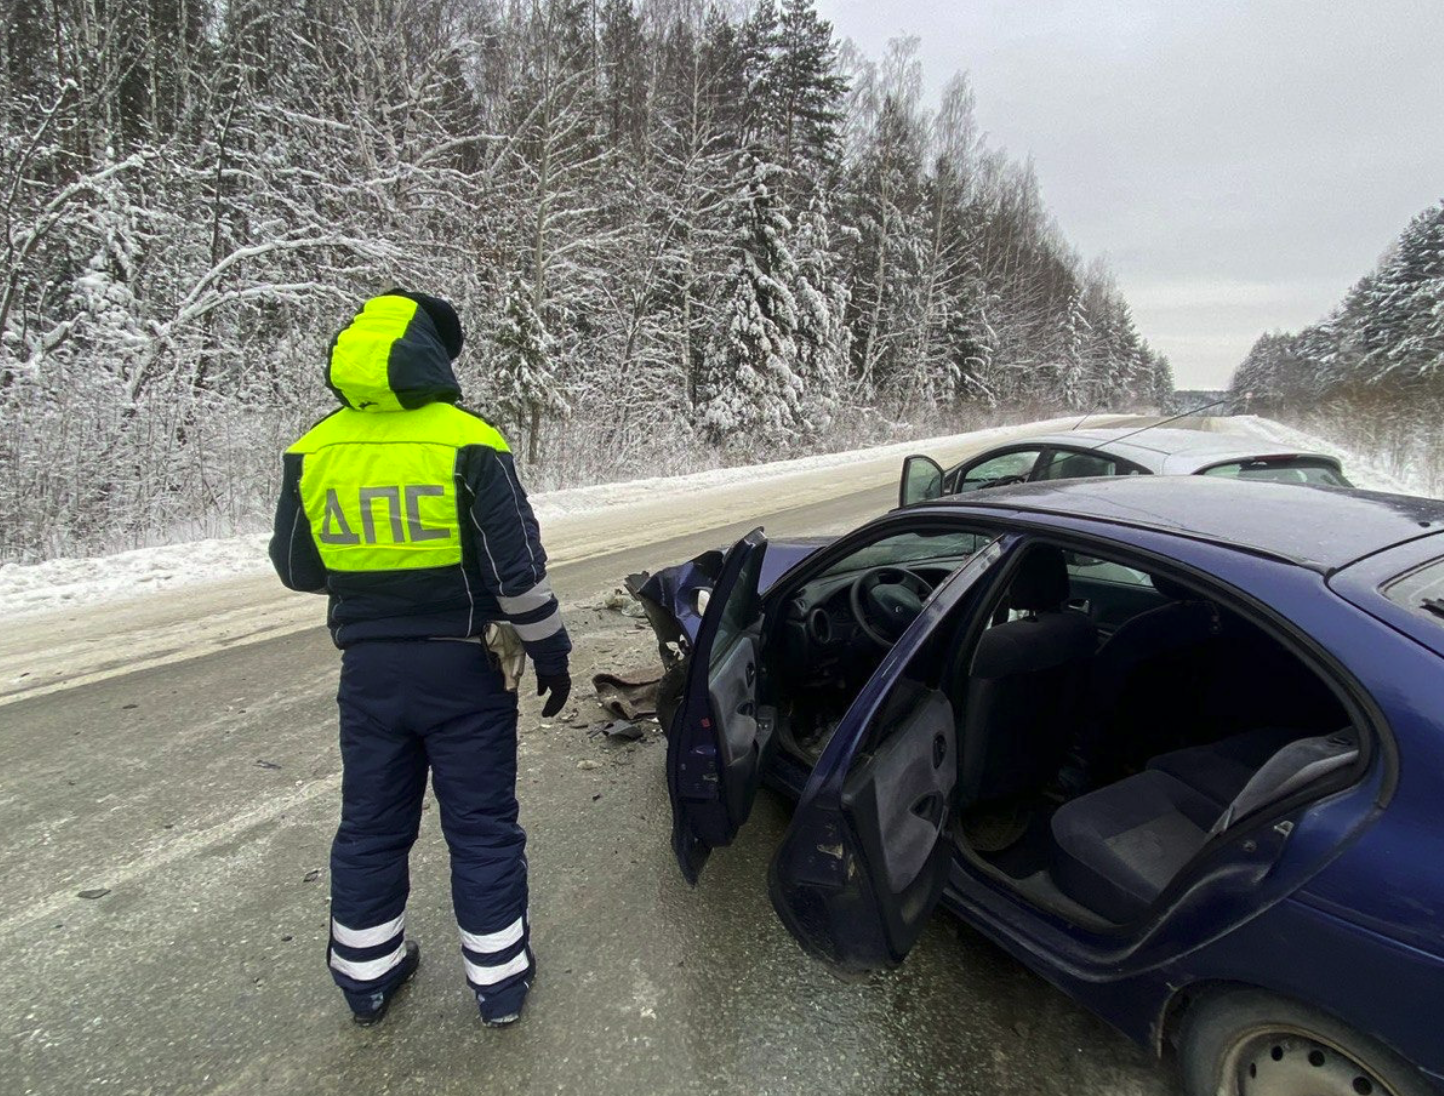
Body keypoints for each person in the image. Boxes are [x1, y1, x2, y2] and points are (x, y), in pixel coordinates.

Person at [268, 290, 571, 1028]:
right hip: (466, 671)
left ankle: (366, 979)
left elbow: (298, 568)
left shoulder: (314, 448)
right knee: (481, 825)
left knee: (370, 825)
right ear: (435, 356)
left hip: (368, 672)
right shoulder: (467, 441)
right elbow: (518, 575)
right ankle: (499, 986)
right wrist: (553, 651)